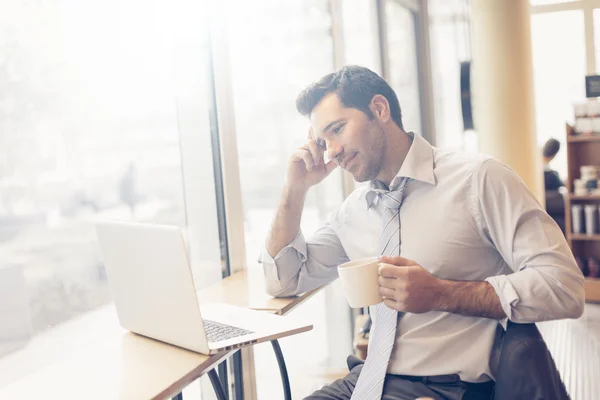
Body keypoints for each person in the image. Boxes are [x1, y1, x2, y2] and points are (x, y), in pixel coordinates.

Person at [260, 66, 584, 399]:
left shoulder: (479, 179)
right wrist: (294, 189)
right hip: (369, 377)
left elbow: (564, 286)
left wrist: (442, 293)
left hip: (447, 389)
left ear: (380, 109)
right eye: (323, 141)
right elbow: (284, 279)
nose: (332, 150)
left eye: (338, 129)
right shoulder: (353, 211)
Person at [542, 138, 566, 233]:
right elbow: (562, 185)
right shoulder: (552, 175)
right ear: (555, 154)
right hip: (552, 212)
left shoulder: (534, 166)